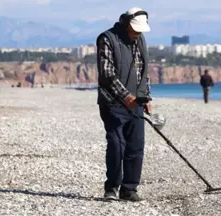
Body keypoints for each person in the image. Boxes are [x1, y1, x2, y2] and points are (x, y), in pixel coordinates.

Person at [96, 7, 151, 202]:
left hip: (136, 102)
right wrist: (126, 97)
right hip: (113, 103)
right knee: (116, 145)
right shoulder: (107, 39)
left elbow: (143, 72)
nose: (138, 33)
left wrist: (146, 97)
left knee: (136, 146)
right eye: (135, 29)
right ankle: (111, 188)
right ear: (126, 23)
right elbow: (107, 74)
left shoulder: (140, 39)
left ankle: (129, 189)